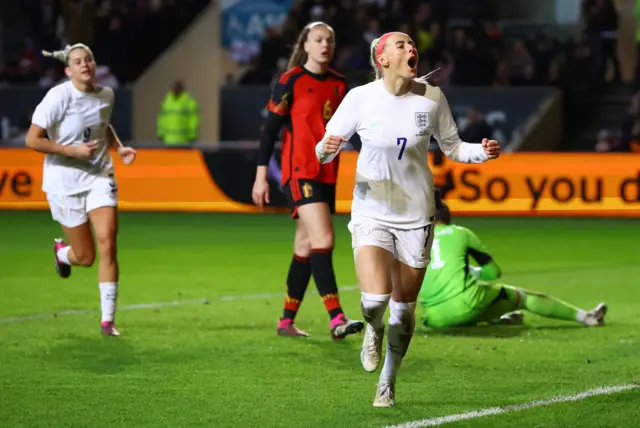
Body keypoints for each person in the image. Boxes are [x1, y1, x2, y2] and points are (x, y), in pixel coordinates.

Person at [315, 32, 500, 407]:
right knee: (375, 300)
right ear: (381, 59)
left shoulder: (431, 97)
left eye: (412, 44)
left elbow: (452, 147)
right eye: (400, 45)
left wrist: (480, 152)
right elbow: (324, 148)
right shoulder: (360, 98)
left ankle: (388, 380)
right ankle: (372, 328)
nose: (410, 48)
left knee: (403, 308)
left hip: (416, 214)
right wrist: (325, 149)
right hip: (371, 208)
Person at [251, 22, 364, 340]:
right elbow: (269, 131)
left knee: (305, 244)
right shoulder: (291, 81)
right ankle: (336, 318)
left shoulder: (341, 85)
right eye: (318, 40)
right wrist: (261, 177)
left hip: (327, 173)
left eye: (330, 39)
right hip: (299, 171)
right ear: (306, 46)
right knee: (324, 240)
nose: (325, 44)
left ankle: (286, 321)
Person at [25, 44, 137, 337]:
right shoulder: (58, 97)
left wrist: (119, 146)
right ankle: (63, 254)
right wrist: (71, 151)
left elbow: (102, 125)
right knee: (86, 257)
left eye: (88, 59)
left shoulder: (106, 95)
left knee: (108, 243)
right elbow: (33, 140)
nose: (85, 64)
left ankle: (107, 321)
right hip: (64, 181)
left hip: (99, 175)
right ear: (68, 70)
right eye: (77, 61)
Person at [418, 200, 608, 328]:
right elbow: (493, 273)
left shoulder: (415, 239)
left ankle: (501, 319)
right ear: (448, 219)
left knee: (483, 302)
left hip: (433, 317)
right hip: (465, 303)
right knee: (521, 297)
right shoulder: (460, 233)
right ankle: (587, 317)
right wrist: (473, 272)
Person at [157, 80, 201, 147]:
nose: (174, 89)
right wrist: (160, 134)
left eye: (177, 88)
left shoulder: (189, 102)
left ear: (181, 89)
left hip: (183, 141)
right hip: (168, 141)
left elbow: (193, 120)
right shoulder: (166, 102)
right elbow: (161, 119)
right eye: (173, 88)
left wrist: (192, 136)